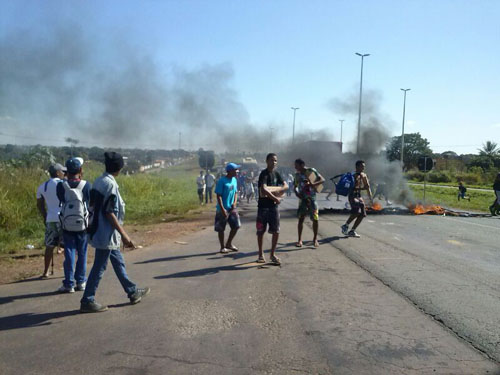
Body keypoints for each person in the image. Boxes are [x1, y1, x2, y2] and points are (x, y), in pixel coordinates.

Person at [80, 152, 150, 313]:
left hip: (100, 229)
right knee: (99, 266)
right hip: (106, 232)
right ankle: (87, 299)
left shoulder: (99, 180)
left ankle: (132, 291)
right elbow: (109, 212)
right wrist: (125, 235)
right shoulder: (110, 185)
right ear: (119, 168)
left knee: (118, 261)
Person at [56, 157, 91, 293]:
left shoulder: (61, 185)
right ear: (80, 170)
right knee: (82, 253)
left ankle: (68, 283)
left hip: (67, 223)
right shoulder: (86, 185)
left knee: (69, 252)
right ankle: (81, 281)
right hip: (82, 224)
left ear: (66, 171)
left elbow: (61, 200)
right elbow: (89, 202)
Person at [256, 153, 288, 264]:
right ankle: (260, 254)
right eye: (271, 160)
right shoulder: (263, 174)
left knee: (276, 231)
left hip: (274, 207)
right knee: (260, 231)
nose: (273, 162)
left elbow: (286, 185)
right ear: (267, 161)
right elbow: (264, 189)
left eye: (275, 160)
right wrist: (275, 197)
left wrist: (281, 189)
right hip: (263, 207)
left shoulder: (277, 174)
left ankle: (272, 254)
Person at [36, 163, 66, 278]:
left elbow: (40, 204)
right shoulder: (63, 184)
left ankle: (46, 271)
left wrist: (45, 216)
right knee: (66, 244)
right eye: (62, 171)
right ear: (58, 173)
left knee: (49, 246)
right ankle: (70, 269)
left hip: (51, 219)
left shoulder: (42, 186)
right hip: (63, 218)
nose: (64, 173)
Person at [294, 159, 325, 248]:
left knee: (315, 219)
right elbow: (295, 187)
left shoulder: (311, 171)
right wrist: (297, 193)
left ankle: (315, 239)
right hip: (302, 199)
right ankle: (299, 240)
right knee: (301, 219)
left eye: (297, 165)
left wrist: (312, 184)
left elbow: (322, 180)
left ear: (302, 165)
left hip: (312, 198)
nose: (295, 167)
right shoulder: (297, 175)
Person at [341, 160, 373, 238]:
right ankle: (345, 225)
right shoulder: (352, 175)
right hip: (352, 195)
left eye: (364, 167)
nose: (363, 168)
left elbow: (367, 187)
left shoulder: (364, 175)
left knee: (362, 214)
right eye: (362, 166)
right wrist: (362, 188)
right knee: (356, 212)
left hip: (359, 195)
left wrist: (370, 198)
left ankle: (352, 230)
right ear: (357, 167)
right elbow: (351, 188)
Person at [214, 163, 241, 253]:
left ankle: (229, 243)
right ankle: (222, 247)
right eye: (235, 170)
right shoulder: (222, 181)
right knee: (221, 228)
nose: (237, 171)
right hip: (222, 209)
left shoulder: (234, 180)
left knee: (236, 226)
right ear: (229, 171)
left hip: (231, 208)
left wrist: (234, 202)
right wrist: (222, 209)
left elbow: (236, 192)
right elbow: (219, 196)